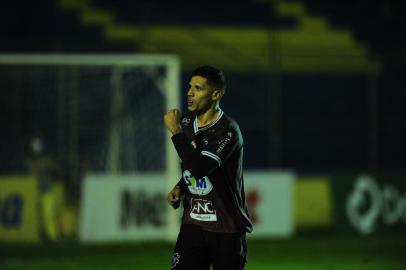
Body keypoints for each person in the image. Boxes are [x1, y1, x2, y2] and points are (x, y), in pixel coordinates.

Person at [164, 66, 253, 270]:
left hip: (226, 229)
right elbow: (191, 165)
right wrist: (180, 187)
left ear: (215, 94)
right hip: (193, 226)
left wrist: (176, 132)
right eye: (189, 87)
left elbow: (201, 168)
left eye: (198, 88)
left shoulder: (228, 132)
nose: (189, 93)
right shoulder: (186, 123)